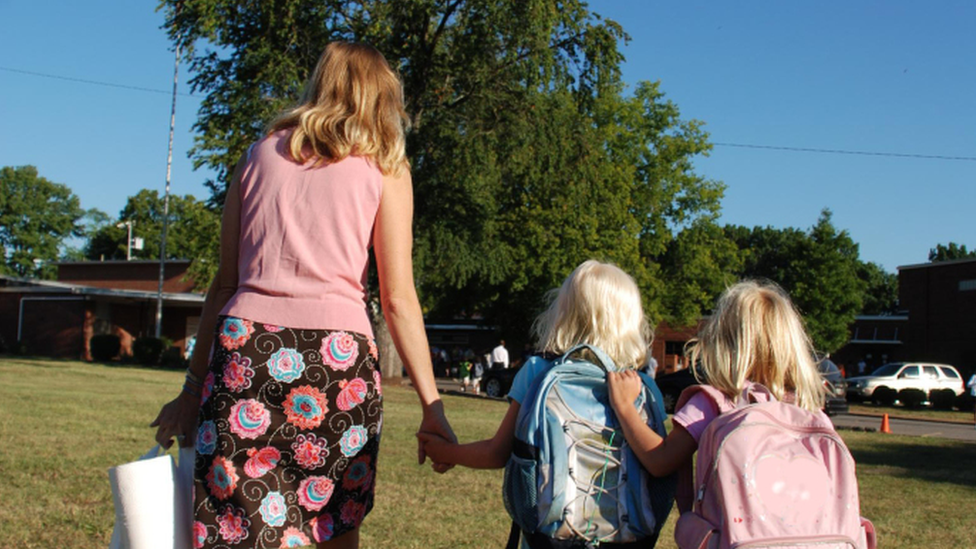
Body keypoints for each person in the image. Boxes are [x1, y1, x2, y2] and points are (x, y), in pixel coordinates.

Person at [150, 42, 456, 549]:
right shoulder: (386, 167)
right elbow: (398, 298)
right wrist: (432, 406)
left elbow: (223, 285)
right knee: (333, 519)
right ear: (382, 98)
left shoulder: (259, 155)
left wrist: (189, 391)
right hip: (339, 364)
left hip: (245, 351)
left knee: (237, 522)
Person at [419, 260, 654, 547]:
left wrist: (446, 452)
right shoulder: (643, 386)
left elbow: (498, 452)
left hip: (549, 537)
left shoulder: (537, 371)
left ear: (565, 312)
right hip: (628, 534)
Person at [605, 280, 827, 514]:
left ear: (722, 341)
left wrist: (625, 406)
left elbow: (661, 461)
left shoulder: (716, 401)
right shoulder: (807, 408)